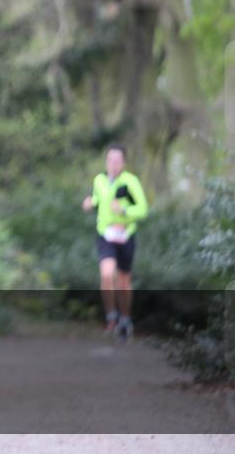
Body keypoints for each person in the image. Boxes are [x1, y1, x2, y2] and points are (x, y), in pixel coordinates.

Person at [81, 143, 149, 341]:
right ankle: (111, 316)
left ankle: (125, 318)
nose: (113, 164)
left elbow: (143, 209)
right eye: (110, 160)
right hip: (105, 234)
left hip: (126, 235)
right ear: (106, 161)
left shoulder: (131, 182)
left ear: (124, 163)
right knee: (107, 273)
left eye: (117, 160)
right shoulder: (99, 180)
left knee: (123, 281)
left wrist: (125, 211)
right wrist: (90, 203)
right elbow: (97, 199)